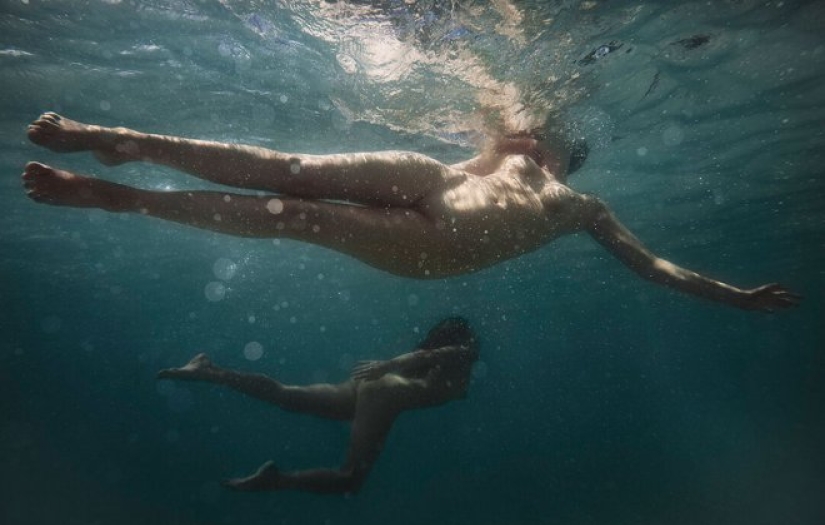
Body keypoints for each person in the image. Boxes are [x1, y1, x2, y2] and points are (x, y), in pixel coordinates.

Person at [23, 112, 799, 311]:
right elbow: (471, 162)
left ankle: (123, 198)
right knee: (289, 172)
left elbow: (650, 265)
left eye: (547, 139)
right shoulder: (477, 160)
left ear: (564, 157)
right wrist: (493, 148)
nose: (536, 140)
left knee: (291, 215)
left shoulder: (583, 203)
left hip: (443, 252)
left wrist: (731, 293)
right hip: (438, 190)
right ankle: (123, 144)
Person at [156, 317, 480, 494]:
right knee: (350, 479)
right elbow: (429, 356)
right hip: (384, 392)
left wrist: (386, 369)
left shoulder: (448, 369)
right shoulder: (462, 356)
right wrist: (387, 365)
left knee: (285, 395)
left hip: (373, 388)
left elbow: (428, 357)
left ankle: (210, 371)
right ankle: (279, 480)